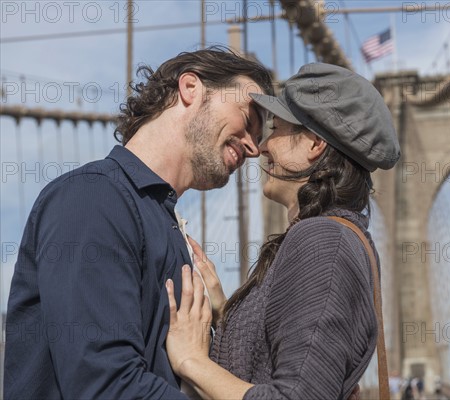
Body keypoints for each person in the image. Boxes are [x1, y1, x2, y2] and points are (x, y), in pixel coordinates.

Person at [3, 47, 273, 399]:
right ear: (191, 87)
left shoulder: (162, 223)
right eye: (248, 118)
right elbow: (105, 387)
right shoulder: (94, 199)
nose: (254, 148)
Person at [165, 63, 401, 399]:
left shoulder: (324, 243)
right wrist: (224, 315)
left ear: (315, 145)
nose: (262, 147)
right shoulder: (332, 237)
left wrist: (189, 360)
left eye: (276, 128)